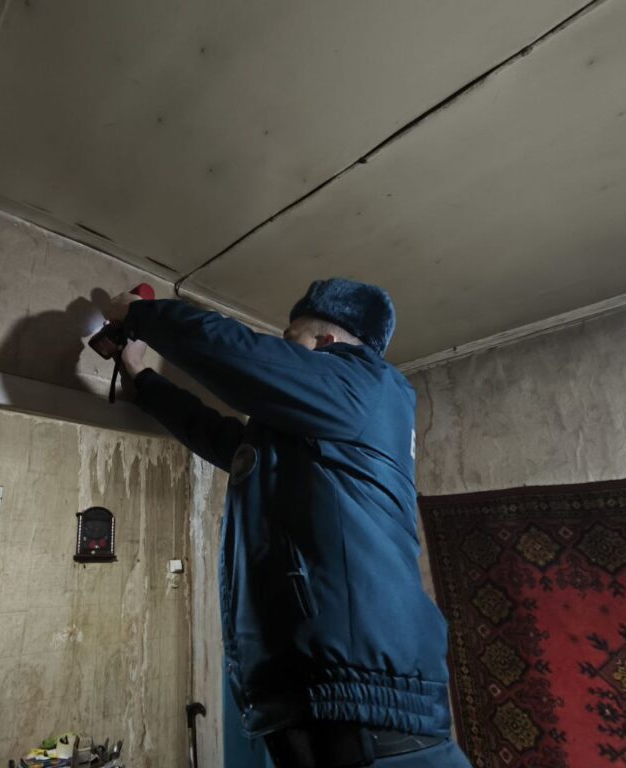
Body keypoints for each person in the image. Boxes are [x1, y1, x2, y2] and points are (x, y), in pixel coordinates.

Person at [104, 278, 472, 768]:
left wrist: (141, 314)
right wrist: (143, 378)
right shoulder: (313, 428)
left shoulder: (367, 385)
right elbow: (224, 440)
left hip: (370, 712)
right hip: (315, 703)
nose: (280, 350)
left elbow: (241, 357)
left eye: (288, 339)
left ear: (325, 343)